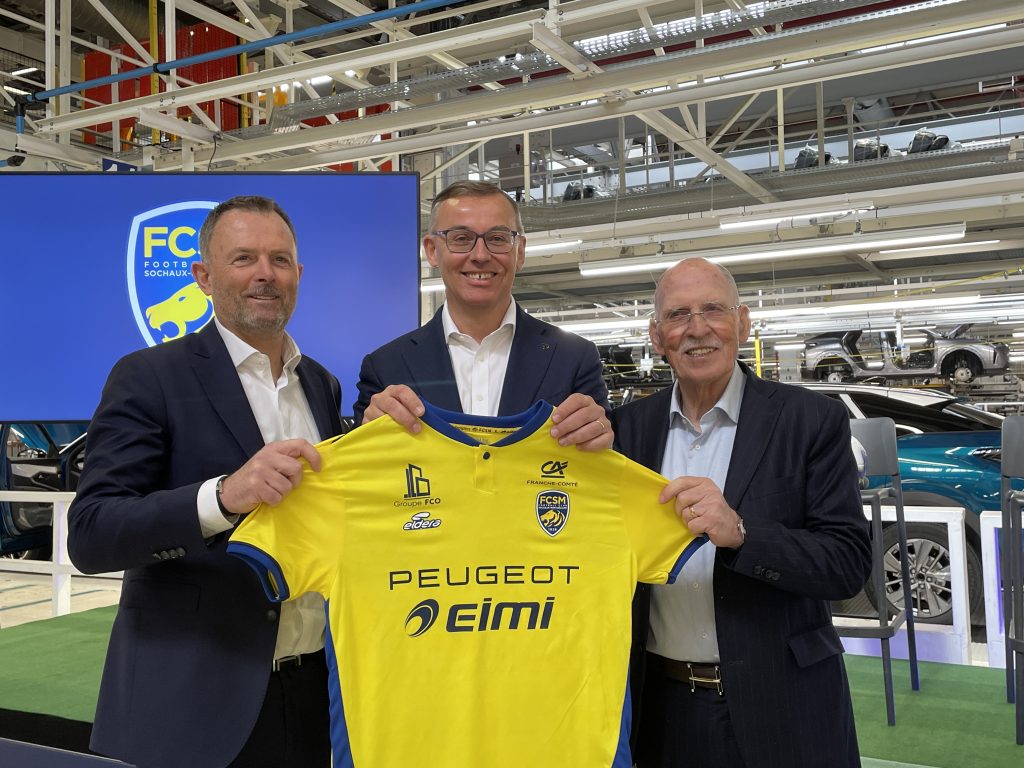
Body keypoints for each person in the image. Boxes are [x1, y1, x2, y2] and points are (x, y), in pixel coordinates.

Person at [68, 196, 343, 768]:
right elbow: (92, 534)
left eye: (280, 260)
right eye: (243, 258)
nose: (265, 274)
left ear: (298, 274)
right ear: (204, 277)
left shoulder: (321, 384)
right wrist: (221, 497)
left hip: (314, 691)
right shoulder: (149, 376)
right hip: (192, 702)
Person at [612, 257, 872, 768]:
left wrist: (742, 533)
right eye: (678, 315)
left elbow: (847, 564)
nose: (697, 329)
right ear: (656, 336)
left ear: (743, 323)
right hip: (662, 711)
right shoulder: (626, 431)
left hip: (786, 704)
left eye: (713, 309)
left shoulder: (809, 420)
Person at [354, 180, 612, 445]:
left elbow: (608, 457)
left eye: (497, 239)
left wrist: (601, 436)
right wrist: (366, 436)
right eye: (461, 238)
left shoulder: (574, 359)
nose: (480, 255)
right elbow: (360, 464)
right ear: (432, 251)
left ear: (520, 251)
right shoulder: (386, 368)